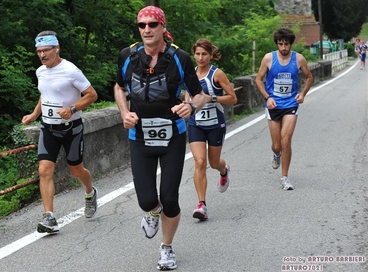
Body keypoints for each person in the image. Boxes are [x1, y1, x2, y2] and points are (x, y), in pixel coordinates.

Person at [114, 6, 205, 271]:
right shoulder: (127, 56)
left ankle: (166, 248)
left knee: (170, 197)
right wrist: (124, 112)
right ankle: (152, 213)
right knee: (146, 200)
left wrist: (191, 107)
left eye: (152, 25)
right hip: (139, 135)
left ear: (163, 28)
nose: (146, 30)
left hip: (172, 136)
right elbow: (119, 87)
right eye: (141, 25)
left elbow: (198, 94)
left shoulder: (180, 58)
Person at [22, 30, 99, 233]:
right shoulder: (40, 71)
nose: (42, 55)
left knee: (76, 170)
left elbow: (92, 95)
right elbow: (44, 95)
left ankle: (90, 193)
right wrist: (33, 114)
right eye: (39, 51)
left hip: (71, 129)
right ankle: (50, 217)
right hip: (48, 128)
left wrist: (72, 109)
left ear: (57, 49)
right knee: (44, 170)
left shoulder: (71, 70)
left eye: (46, 50)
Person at [185, 38, 237, 221]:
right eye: (197, 54)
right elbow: (187, 96)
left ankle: (224, 171)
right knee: (200, 162)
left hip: (215, 124)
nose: (200, 58)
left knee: (213, 163)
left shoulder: (217, 74)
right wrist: (186, 106)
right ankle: (202, 205)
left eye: (204, 54)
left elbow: (232, 98)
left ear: (210, 55)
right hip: (196, 124)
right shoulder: (189, 74)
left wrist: (211, 98)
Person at [255, 28, 313, 190]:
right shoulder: (268, 58)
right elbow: (259, 80)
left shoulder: (299, 59)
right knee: (277, 144)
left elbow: (309, 77)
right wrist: (268, 97)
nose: (283, 47)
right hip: (273, 105)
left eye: (286, 44)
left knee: (286, 140)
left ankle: (285, 177)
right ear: (277, 44)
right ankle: (276, 154)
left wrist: (303, 94)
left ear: (291, 44)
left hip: (290, 105)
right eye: (280, 44)